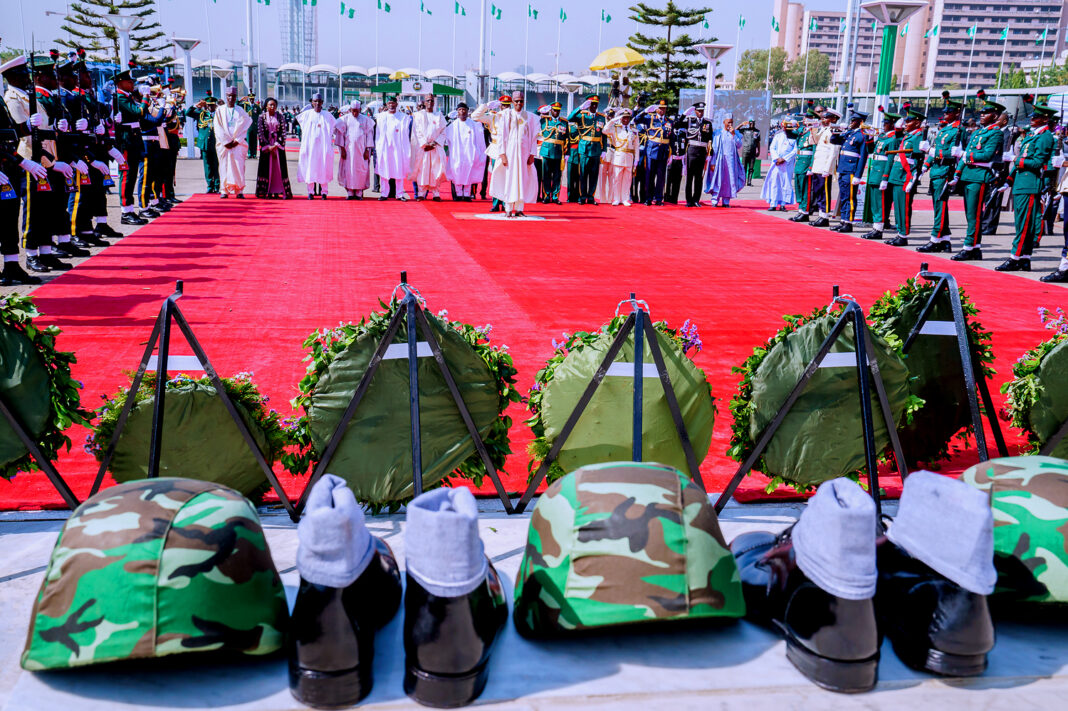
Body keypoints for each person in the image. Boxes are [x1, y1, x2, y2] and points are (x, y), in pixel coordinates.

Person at [0, 55, 46, 285]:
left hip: (7, 163)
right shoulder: (8, 96)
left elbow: (9, 133)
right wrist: (21, 161)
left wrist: (27, 126)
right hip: (6, 162)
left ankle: (11, 265)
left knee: (9, 218)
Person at [998, 104, 1057, 272]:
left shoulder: (1044, 137)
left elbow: (1038, 162)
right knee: (1022, 223)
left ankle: (1015, 257)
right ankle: (1024, 258)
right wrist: (1009, 180)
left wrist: (1016, 160)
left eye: (1036, 117)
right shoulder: (1032, 135)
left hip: (1030, 184)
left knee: (1024, 224)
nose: (1032, 119)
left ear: (1045, 119)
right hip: (1021, 183)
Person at [950, 98, 1005, 262]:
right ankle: (975, 248)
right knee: (970, 214)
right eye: (981, 112)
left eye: (986, 113)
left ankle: (969, 247)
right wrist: (957, 173)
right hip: (968, 175)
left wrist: (967, 156)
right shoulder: (978, 133)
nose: (982, 115)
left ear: (995, 116)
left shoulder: (996, 133)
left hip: (980, 176)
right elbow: (965, 154)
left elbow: (987, 155)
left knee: (975, 215)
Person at [916, 98, 965, 253]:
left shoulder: (958, 131)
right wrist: (925, 165)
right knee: (939, 206)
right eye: (945, 112)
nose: (945, 114)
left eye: (949, 112)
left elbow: (952, 153)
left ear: (957, 113)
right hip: (936, 170)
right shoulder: (945, 130)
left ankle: (935, 239)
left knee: (940, 206)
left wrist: (930, 151)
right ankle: (945, 240)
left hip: (945, 170)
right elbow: (935, 149)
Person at [489, 90, 538, 217]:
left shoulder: (530, 117)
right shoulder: (506, 115)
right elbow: (501, 136)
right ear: (512, 102)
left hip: (524, 155)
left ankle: (520, 209)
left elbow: (533, 137)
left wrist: (532, 154)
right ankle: (508, 208)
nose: (519, 103)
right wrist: (503, 154)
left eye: (521, 101)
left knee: (522, 180)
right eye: (516, 101)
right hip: (510, 155)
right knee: (509, 180)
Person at [884, 107, 927, 247]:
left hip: (905, 176)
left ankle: (903, 235)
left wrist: (913, 179)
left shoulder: (918, 137)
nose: (906, 123)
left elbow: (918, 161)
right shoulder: (909, 135)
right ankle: (899, 232)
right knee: (897, 206)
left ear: (917, 122)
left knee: (904, 207)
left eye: (909, 121)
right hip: (897, 175)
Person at [860, 113, 901, 240]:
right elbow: (871, 150)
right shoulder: (883, 137)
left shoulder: (893, 139)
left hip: (881, 174)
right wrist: (869, 137)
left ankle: (878, 229)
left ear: (893, 124)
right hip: (874, 173)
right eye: (884, 123)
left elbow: (890, 160)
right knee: (875, 203)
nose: (883, 125)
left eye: (886, 123)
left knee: (880, 203)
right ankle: (876, 226)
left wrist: (885, 177)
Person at [828, 110, 869, 232]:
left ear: (860, 122)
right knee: (845, 196)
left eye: (853, 121)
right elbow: (834, 140)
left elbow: (863, 156)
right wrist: (838, 131)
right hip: (843, 168)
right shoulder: (849, 133)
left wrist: (858, 175)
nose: (851, 122)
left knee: (850, 197)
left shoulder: (862, 135)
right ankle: (843, 221)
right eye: (851, 120)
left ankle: (849, 222)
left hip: (851, 170)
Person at [472, 95, 510, 211]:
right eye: (503, 106)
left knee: (506, 177)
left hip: (509, 149)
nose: (505, 108)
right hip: (496, 149)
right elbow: (474, 116)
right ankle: (495, 202)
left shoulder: (513, 117)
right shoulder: (493, 117)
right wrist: (486, 106)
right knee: (495, 176)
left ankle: (505, 203)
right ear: (500, 106)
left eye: (508, 106)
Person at [213, 86, 252, 199]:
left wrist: (237, 140)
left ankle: (239, 190)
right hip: (224, 145)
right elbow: (217, 128)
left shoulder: (240, 110)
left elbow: (246, 125)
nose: (231, 98)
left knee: (239, 167)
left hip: (237, 144)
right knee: (224, 166)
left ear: (236, 97)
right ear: (226, 96)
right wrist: (226, 142)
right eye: (229, 96)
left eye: (233, 96)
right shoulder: (220, 110)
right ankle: (224, 190)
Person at [443, 102, 486, 202]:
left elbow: (479, 139)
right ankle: (458, 194)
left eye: (464, 110)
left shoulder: (473, 125)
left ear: (467, 111)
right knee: (457, 172)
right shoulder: (452, 126)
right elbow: (443, 132)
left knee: (468, 173)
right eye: (460, 110)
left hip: (470, 154)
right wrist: (446, 117)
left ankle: (467, 194)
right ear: (457, 112)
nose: (462, 112)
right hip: (457, 154)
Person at [296, 92, 336, 199]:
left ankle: (324, 192)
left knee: (323, 167)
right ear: (312, 103)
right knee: (310, 168)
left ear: (322, 102)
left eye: (319, 101)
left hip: (323, 148)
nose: (317, 103)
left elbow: (335, 127)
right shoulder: (306, 115)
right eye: (315, 101)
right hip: (310, 147)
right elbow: (296, 121)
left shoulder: (328, 116)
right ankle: (310, 192)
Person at [568, 94, 606, 204]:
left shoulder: (601, 117)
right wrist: (580, 108)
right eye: (592, 104)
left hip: (596, 149)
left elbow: (603, 135)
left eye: (596, 104)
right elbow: (570, 118)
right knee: (583, 173)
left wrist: (604, 150)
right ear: (588, 105)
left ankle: (591, 197)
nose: (594, 106)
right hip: (584, 148)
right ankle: (582, 196)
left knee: (594, 175)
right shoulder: (581, 115)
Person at [675, 102, 714, 207]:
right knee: (690, 177)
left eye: (702, 111)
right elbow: (677, 124)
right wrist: (684, 114)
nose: (700, 113)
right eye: (698, 111)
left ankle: (696, 199)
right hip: (691, 150)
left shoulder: (708, 123)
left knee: (698, 177)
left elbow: (710, 138)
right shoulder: (689, 120)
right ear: (695, 111)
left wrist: (710, 153)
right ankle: (689, 200)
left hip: (702, 150)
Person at [332, 100, 372, 200]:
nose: (355, 113)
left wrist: (367, 150)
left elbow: (369, 136)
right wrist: (342, 150)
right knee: (348, 170)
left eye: (357, 111)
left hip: (362, 151)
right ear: (350, 110)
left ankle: (359, 192)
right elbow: (340, 135)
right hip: (348, 151)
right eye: (353, 111)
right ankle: (350, 192)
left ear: (360, 109)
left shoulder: (366, 120)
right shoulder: (344, 119)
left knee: (361, 170)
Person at [374, 95, 412, 201]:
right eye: (389, 103)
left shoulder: (403, 117)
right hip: (385, 148)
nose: (391, 105)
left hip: (398, 148)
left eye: (393, 103)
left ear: (396, 104)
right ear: (386, 104)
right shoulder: (381, 117)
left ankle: (399, 194)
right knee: (384, 170)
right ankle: (384, 193)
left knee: (398, 170)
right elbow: (378, 133)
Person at [410, 93, 447, 200]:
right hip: (423, 148)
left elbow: (444, 131)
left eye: (431, 100)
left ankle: (436, 193)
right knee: (423, 169)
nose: (430, 102)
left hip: (435, 147)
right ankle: (421, 193)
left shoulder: (439, 115)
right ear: (424, 102)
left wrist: (435, 143)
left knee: (436, 169)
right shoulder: (418, 115)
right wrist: (424, 144)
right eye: (428, 100)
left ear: (434, 102)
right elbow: (416, 131)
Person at [807, 108, 841, 227]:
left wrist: (828, 168)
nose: (824, 119)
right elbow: (813, 142)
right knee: (818, 191)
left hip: (825, 167)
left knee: (824, 192)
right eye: (824, 117)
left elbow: (834, 151)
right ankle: (821, 214)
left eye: (827, 118)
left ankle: (825, 216)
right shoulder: (824, 130)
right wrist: (812, 129)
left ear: (834, 119)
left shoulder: (834, 131)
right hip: (818, 165)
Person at [255, 97, 292, 199]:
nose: (272, 107)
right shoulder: (261, 117)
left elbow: (283, 132)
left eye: (274, 105)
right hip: (267, 148)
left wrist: (276, 145)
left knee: (278, 169)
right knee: (266, 169)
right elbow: (260, 132)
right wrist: (268, 147)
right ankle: (267, 191)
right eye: (270, 105)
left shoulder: (280, 117)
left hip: (277, 147)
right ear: (266, 106)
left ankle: (278, 191)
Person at [636, 99, 671, 206]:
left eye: (664, 108)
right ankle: (648, 198)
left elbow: (672, 138)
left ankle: (659, 198)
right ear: (656, 109)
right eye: (660, 108)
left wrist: (672, 153)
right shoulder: (649, 118)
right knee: (650, 175)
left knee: (661, 177)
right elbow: (636, 120)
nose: (662, 110)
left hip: (663, 151)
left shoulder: (669, 121)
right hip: (652, 150)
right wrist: (645, 111)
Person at [705, 116, 745, 207]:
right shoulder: (718, 133)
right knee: (718, 179)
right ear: (724, 122)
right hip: (720, 160)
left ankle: (726, 201)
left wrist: (734, 134)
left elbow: (739, 145)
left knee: (729, 180)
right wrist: (713, 162)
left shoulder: (735, 133)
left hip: (731, 161)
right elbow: (714, 148)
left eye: (731, 122)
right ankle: (715, 200)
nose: (730, 125)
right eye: (728, 122)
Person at [603, 109, 638, 206]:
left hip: (630, 157)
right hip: (619, 156)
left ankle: (625, 199)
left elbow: (636, 146)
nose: (626, 120)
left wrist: (637, 159)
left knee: (627, 179)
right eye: (624, 118)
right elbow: (604, 130)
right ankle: (617, 198)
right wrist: (613, 120)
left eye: (627, 118)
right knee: (617, 178)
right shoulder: (615, 129)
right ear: (621, 119)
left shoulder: (633, 130)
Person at [761, 119, 798, 211]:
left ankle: (783, 204)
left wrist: (784, 159)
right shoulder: (778, 136)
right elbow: (772, 147)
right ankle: (773, 204)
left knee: (785, 184)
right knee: (774, 183)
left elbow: (795, 151)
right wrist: (777, 158)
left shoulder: (795, 137)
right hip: (776, 163)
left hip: (787, 164)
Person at [186, 96, 219, 194]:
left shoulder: (218, 114)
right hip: (205, 143)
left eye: (212, 106)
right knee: (207, 165)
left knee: (216, 165)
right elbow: (188, 113)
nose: (210, 107)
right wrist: (197, 105)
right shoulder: (201, 113)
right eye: (208, 105)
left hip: (216, 143)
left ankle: (217, 186)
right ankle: (209, 185)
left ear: (215, 105)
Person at [789, 112, 817, 222]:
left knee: (806, 188)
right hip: (800, 161)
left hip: (807, 162)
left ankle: (805, 211)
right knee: (799, 187)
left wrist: (811, 166)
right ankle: (800, 209)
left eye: (808, 118)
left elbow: (814, 150)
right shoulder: (803, 131)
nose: (805, 119)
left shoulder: (814, 131)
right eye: (805, 118)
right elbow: (793, 133)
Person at [536, 102, 566, 204]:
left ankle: (555, 196)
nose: (556, 112)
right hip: (546, 151)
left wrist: (567, 153)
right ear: (550, 111)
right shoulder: (544, 121)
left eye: (558, 110)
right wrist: (540, 111)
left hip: (558, 152)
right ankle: (546, 195)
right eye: (554, 110)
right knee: (546, 175)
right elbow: (534, 119)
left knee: (557, 176)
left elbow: (567, 139)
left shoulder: (564, 123)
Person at [739, 118, 761, 186]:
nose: (752, 124)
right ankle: (743, 181)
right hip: (745, 151)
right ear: (749, 124)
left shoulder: (757, 131)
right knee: (744, 167)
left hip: (753, 152)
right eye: (750, 123)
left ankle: (749, 182)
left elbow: (758, 142)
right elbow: (736, 130)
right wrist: (742, 124)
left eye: (753, 123)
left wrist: (758, 151)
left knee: (751, 168)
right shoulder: (745, 130)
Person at [241, 93, 261, 159]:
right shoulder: (246, 106)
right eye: (250, 99)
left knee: (254, 140)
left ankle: (254, 154)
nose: (252, 100)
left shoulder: (256, 106)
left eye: (252, 99)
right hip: (248, 126)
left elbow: (260, 115)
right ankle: (249, 153)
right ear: (249, 99)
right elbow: (237, 105)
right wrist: (241, 100)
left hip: (255, 126)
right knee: (249, 140)